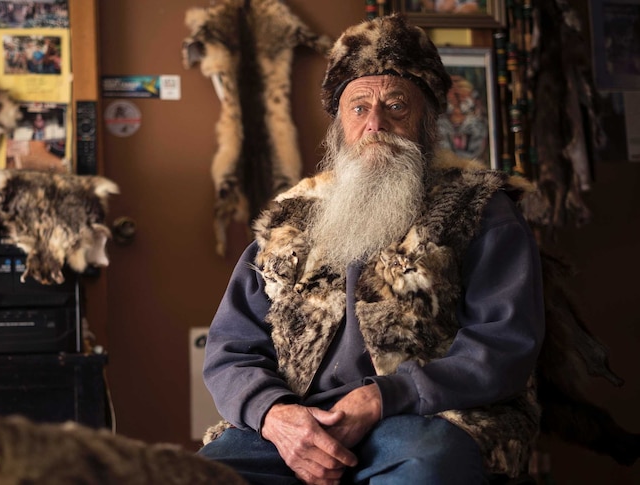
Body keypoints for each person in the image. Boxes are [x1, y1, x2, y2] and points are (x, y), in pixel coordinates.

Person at [197, 15, 544, 485]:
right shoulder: (290, 217)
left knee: (430, 468)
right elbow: (231, 347)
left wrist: (385, 396)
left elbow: (504, 343)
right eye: (359, 108)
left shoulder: (481, 208)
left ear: (426, 120)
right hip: (295, 425)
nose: (375, 124)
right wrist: (273, 414)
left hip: (427, 417)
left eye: (396, 105)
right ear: (340, 123)